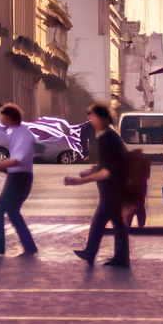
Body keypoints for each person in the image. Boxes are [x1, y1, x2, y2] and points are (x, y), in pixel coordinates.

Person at [66, 102, 130, 269]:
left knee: (99, 221)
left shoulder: (106, 138)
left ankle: (91, 253)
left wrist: (79, 181)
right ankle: (121, 257)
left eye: (92, 115)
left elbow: (107, 171)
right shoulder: (106, 136)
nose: (89, 119)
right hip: (113, 188)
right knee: (117, 223)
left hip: (111, 189)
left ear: (101, 118)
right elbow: (106, 164)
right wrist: (91, 170)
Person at [0, 103, 37, 256]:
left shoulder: (22, 134)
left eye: (1, 115)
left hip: (19, 178)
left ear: (8, 117)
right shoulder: (15, 132)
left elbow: (16, 160)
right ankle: (29, 247)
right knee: (12, 212)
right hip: (19, 176)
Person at [123, 147, 151, 229]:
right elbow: (147, 175)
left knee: (128, 214)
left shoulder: (128, 162)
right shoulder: (145, 161)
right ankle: (140, 228)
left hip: (129, 196)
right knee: (140, 208)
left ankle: (127, 228)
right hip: (140, 192)